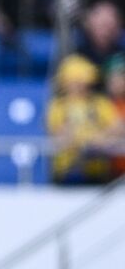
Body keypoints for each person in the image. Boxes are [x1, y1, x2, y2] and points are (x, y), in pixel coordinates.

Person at [46, 54, 122, 186]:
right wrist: (87, 139)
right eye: (74, 82)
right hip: (69, 170)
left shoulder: (100, 103)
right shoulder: (58, 106)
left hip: (98, 168)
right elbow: (59, 132)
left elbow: (118, 126)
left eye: (82, 82)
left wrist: (103, 137)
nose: (78, 86)